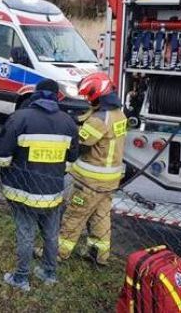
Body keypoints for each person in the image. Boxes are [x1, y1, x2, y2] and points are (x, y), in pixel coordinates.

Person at [0, 79, 79, 291]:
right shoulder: (68, 122)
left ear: (35, 94)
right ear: (57, 97)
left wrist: (6, 175)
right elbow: (70, 162)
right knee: (51, 234)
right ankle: (49, 273)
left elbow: (2, 157)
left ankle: (21, 278)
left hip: (22, 190)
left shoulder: (19, 118)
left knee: (26, 232)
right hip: (52, 191)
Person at [58, 72, 127, 266]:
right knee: (101, 217)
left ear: (98, 94)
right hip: (110, 180)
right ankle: (98, 255)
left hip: (89, 182)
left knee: (74, 215)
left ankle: (58, 252)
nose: (89, 100)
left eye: (90, 96)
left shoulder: (99, 120)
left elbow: (81, 144)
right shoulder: (118, 115)